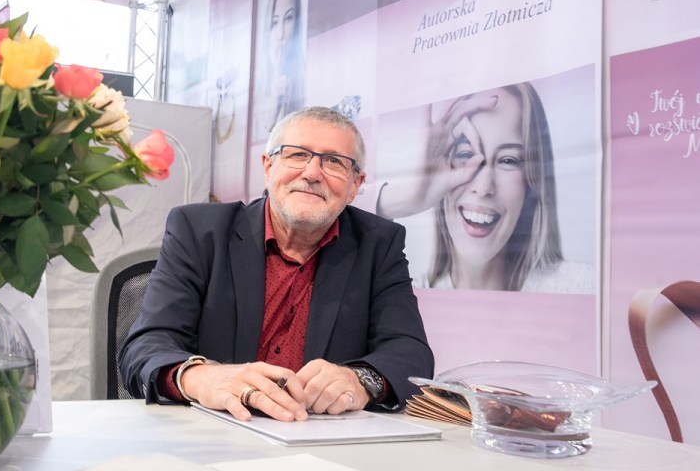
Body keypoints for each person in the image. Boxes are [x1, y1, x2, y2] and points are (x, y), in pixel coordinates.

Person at [120, 106, 433, 422]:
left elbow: (411, 353)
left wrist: (360, 380)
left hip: (319, 436)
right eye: (297, 155)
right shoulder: (199, 231)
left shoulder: (378, 244)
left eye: (334, 162)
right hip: (215, 428)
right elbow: (146, 346)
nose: (312, 173)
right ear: (268, 167)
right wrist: (201, 378)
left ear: (355, 185)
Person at [376, 82, 592, 293]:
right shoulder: (403, 293)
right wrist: (409, 197)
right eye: (466, 154)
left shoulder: (581, 286)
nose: (483, 187)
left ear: (532, 182)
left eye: (508, 160)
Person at [254, 0, 305, 140]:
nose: (280, 34)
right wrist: (273, 107)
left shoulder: (304, 79)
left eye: (288, 19)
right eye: (275, 22)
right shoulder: (258, 90)